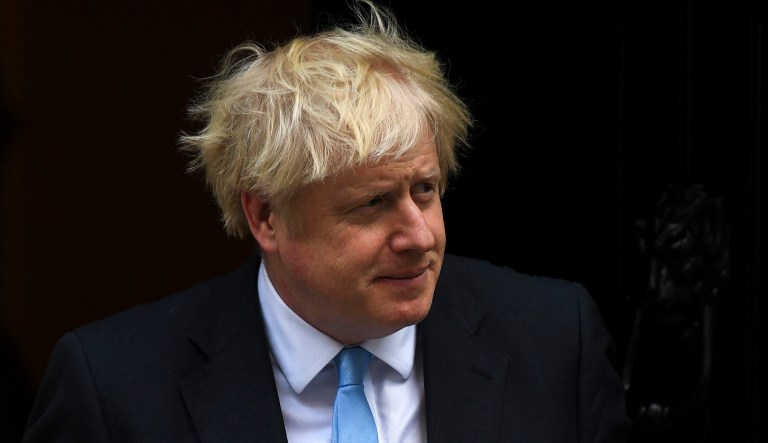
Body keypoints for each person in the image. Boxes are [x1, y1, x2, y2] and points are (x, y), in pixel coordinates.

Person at [22, 1, 632, 441]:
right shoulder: (113, 389)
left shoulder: (555, 342)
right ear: (266, 217)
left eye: (425, 190)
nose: (420, 236)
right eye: (372, 204)